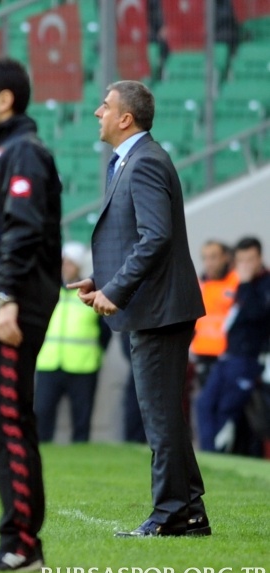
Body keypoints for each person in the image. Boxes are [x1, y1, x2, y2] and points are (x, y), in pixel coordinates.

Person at [68, 80, 210, 538]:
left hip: (159, 310)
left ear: (125, 118)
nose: (98, 112)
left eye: (105, 106)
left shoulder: (145, 160)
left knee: (160, 417)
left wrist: (117, 290)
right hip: (156, 307)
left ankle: (169, 515)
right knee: (165, 415)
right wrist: (102, 280)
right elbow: (137, 237)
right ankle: (190, 511)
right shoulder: (133, 159)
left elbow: (155, 237)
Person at [0, 57, 62, 571]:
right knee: (3, 428)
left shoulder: (23, 151)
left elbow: (23, 230)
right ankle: (20, 540)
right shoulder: (5, 153)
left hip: (3, 312)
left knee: (9, 427)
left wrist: (5, 299)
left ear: (5, 101)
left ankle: (21, 542)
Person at [196, 236, 270, 453]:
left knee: (228, 408)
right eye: (241, 260)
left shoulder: (263, 284)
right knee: (204, 403)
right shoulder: (237, 284)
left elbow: (257, 314)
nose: (245, 265)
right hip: (227, 356)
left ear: (259, 258)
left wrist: (245, 283)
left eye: (250, 259)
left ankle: (218, 455)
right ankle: (208, 454)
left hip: (249, 359)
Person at [34, 241, 111, 443]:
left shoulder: (91, 294)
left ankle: (81, 454)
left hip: (83, 366)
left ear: (78, 267)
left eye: (69, 263)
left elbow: (105, 332)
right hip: (48, 363)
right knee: (42, 416)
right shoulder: (47, 290)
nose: (64, 267)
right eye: (62, 262)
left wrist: (96, 354)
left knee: (81, 420)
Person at [190, 240, 239, 390]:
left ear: (225, 257)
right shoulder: (198, 285)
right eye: (205, 258)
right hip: (202, 352)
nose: (209, 262)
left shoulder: (237, 282)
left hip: (229, 354)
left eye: (213, 257)